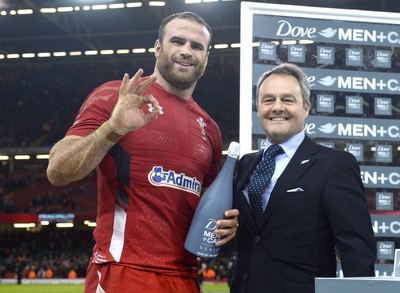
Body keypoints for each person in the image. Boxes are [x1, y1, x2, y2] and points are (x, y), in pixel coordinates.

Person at [46, 11, 239, 293]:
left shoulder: (210, 129)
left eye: (197, 46)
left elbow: (206, 210)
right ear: (158, 47)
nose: (186, 51)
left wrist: (225, 225)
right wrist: (112, 128)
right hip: (122, 272)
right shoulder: (116, 97)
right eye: (177, 41)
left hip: (185, 278)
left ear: (206, 58)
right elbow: (57, 171)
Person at [231, 63, 376, 293]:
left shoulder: (334, 165)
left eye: (287, 100)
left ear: (306, 107)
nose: (277, 107)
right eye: (268, 100)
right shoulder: (245, 164)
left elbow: (356, 248)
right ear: (258, 107)